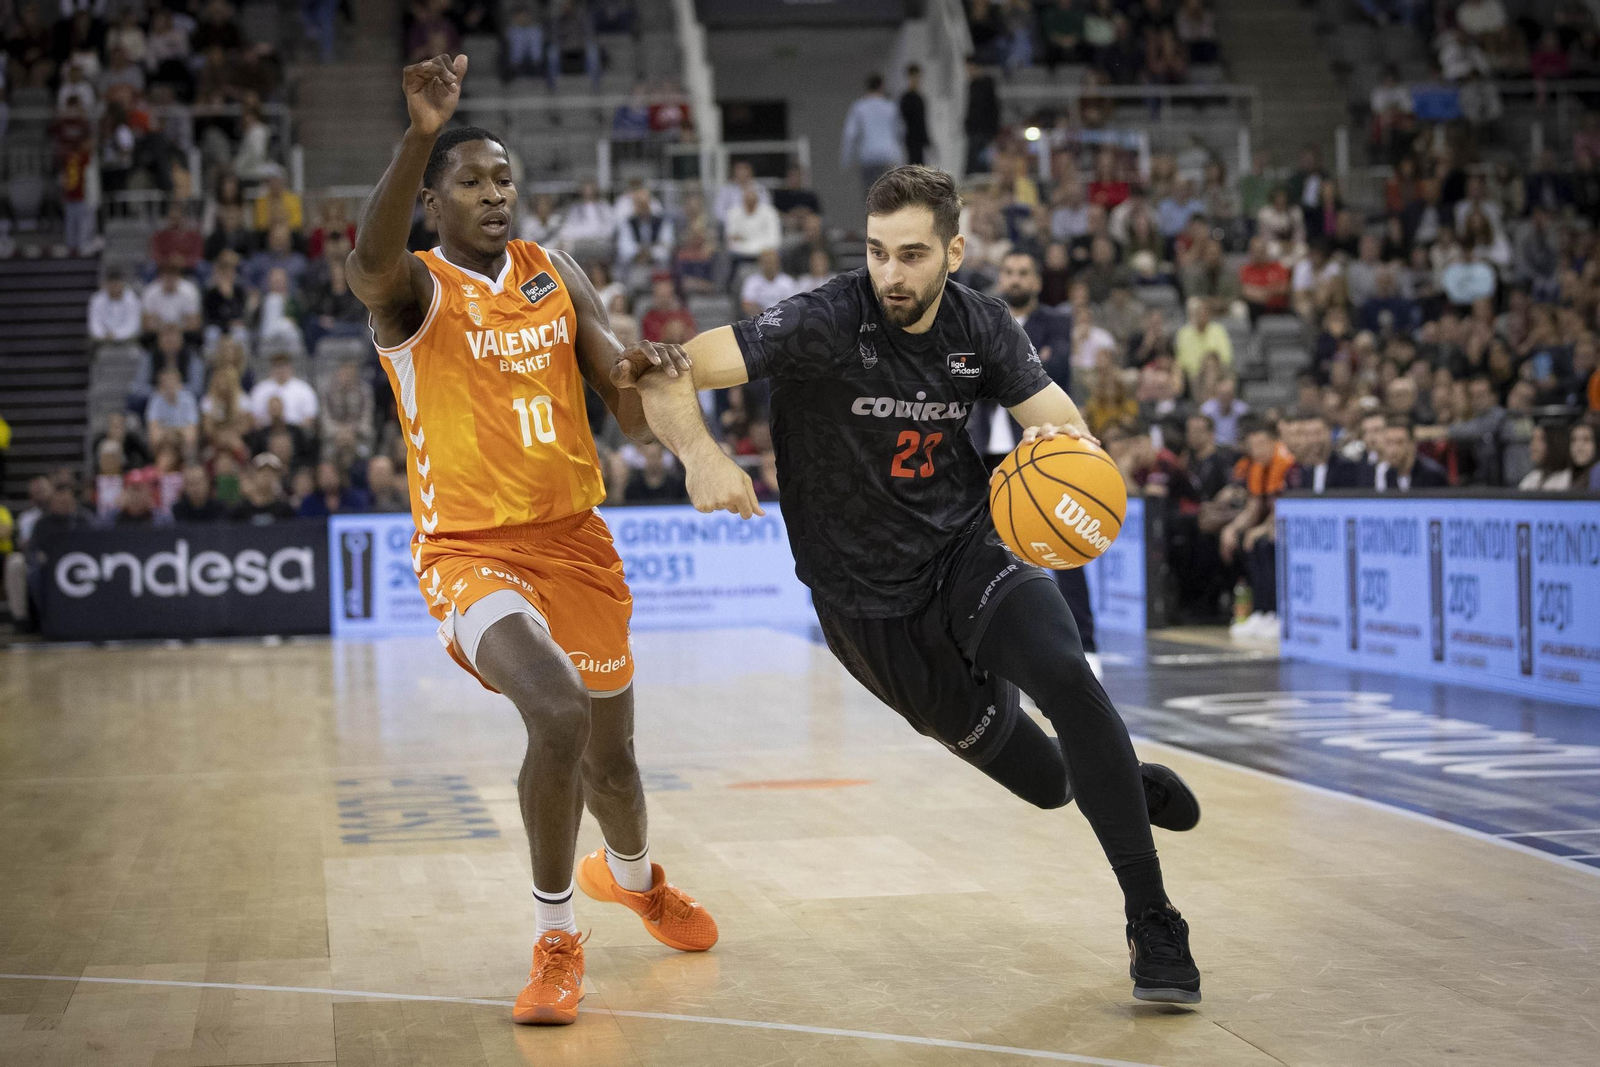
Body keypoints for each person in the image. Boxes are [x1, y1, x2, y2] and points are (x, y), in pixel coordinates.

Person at [614, 164, 1204, 1004]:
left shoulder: (983, 326)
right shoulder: (825, 319)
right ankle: (1117, 778)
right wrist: (704, 456)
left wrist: (1076, 471)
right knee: (1050, 783)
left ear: (954, 251)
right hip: (866, 610)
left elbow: (1060, 422)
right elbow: (668, 371)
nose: (892, 273)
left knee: (1068, 677)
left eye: (914, 254)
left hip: (970, 549)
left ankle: (1154, 920)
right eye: (878, 252)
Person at [342, 54, 718, 1027]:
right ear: (434, 202)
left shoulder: (555, 272)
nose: (495, 193)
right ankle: (556, 937)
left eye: (504, 178)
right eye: (472, 181)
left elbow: (626, 416)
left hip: (576, 537)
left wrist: (655, 375)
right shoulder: (413, 291)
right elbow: (365, 265)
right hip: (469, 548)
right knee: (553, 713)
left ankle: (632, 879)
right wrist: (422, 130)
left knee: (614, 767)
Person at [840, 74, 905, 199]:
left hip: (868, 156)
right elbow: (900, 131)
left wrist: (846, 159)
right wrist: (900, 158)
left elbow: (850, 134)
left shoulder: (859, 107)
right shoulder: (890, 106)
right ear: (882, 87)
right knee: (891, 196)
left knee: (871, 196)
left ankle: (872, 217)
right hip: (888, 155)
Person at [1288, 411, 1374, 491]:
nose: (1313, 440)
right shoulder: (1297, 472)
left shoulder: (1347, 469)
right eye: (1308, 434)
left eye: (1318, 433)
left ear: (1329, 433)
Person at [1376, 416, 1449, 490]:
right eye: (1389, 443)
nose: (1393, 450)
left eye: (1399, 442)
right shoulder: (1387, 474)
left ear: (1412, 444)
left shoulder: (1432, 475)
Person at [739, 249, 801, 318]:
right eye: (766, 262)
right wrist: (765, 315)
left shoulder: (788, 282)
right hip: (759, 319)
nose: (769, 266)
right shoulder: (752, 281)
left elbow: (795, 306)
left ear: (778, 263)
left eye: (772, 262)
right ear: (760, 263)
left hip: (783, 320)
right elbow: (746, 305)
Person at [89, 268, 143, 345]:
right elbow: (94, 324)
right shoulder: (96, 300)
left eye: (117, 284)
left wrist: (116, 335)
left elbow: (133, 325)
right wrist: (103, 335)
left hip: (127, 340)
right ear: (106, 285)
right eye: (112, 284)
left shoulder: (132, 300)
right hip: (102, 340)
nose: (114, 287)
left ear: (122, 284)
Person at [899, 64, 931, 166]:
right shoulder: (906, 98)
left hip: (918, 140)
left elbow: (922, 120)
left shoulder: (919, 97)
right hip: (910, 139)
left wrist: (926, 138)